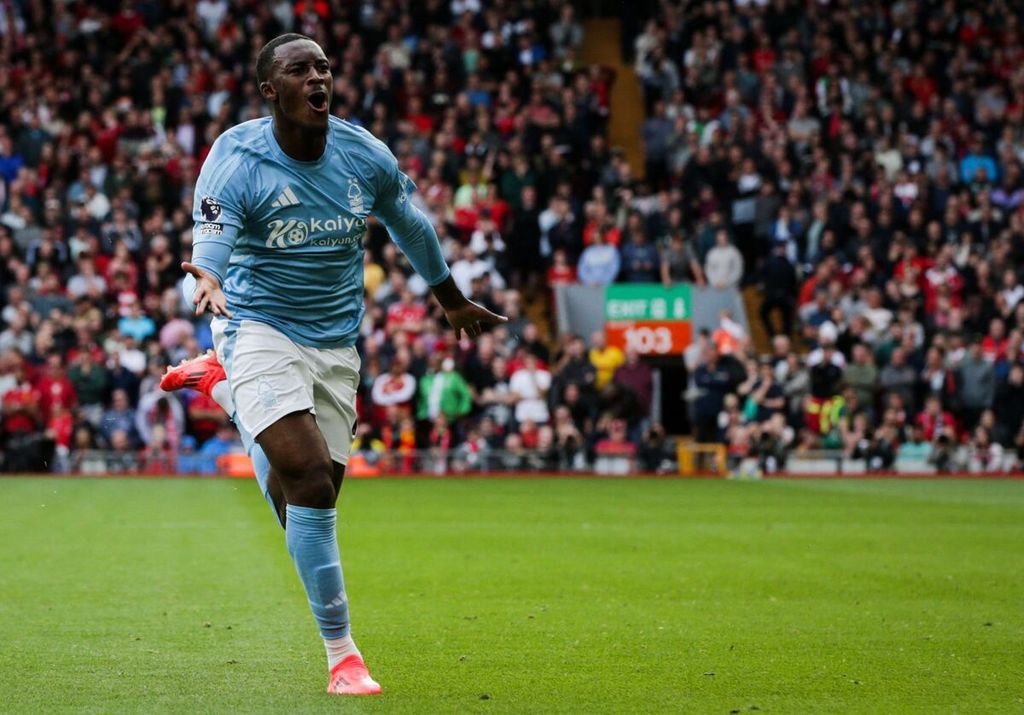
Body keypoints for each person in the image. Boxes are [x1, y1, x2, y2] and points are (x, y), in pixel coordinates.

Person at [158, 34, 506, 696]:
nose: (319, 76)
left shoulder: (361, 152)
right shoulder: (236, 158)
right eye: (301, 69)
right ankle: (342, 654)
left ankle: (222, 390)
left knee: (305, 502)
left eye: (323, 67)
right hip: (254, 323)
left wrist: (451, 299)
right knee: (310, 479)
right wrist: (207, 279)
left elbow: (410, 223)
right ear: (271, 90)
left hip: (335, 342)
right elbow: (212, 241)